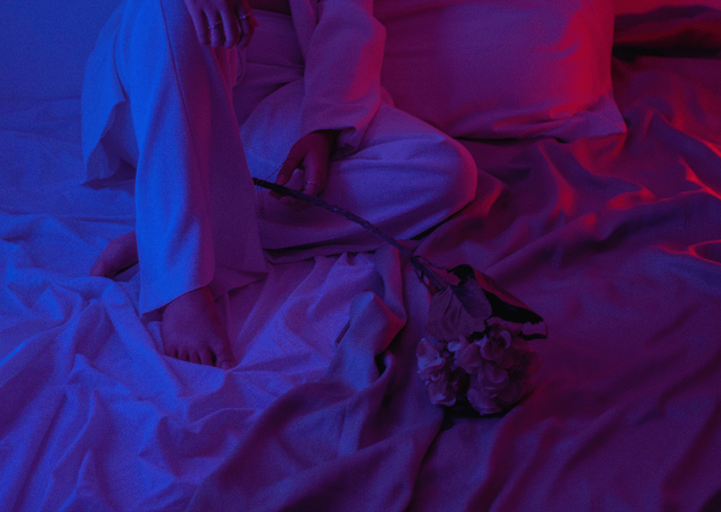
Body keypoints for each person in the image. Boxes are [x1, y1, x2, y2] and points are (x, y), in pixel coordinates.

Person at [83, 0, 478, 369]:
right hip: (170, 56)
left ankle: (174, 225)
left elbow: (347, 19)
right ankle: (179, 280)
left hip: (281, 80)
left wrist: (324, 128)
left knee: (445, 173)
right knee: (169, 6)